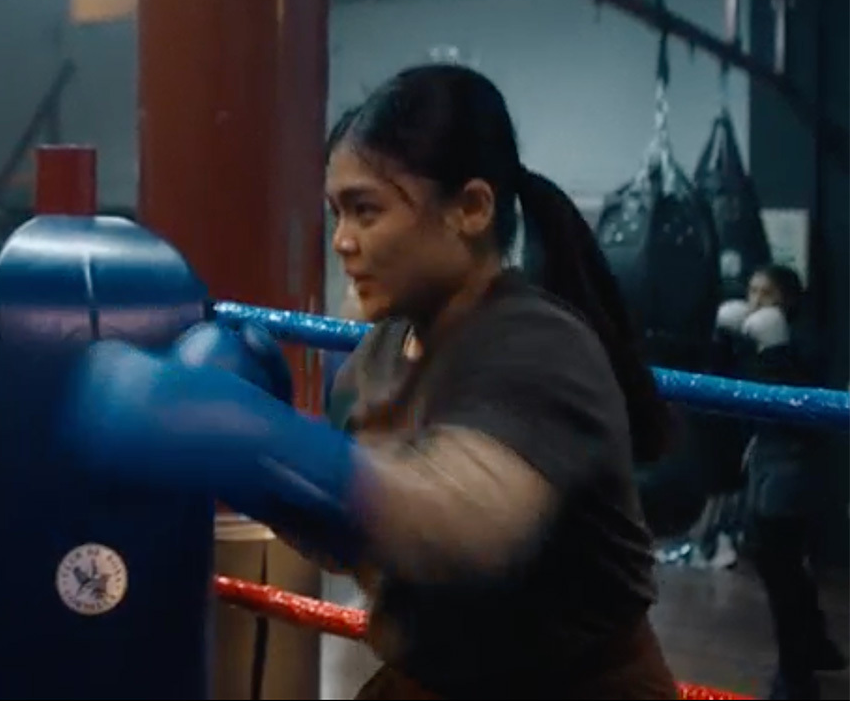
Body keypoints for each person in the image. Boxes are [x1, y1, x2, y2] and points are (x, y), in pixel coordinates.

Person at [68, 64, 680, 699]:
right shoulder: (381, 352)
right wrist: (265, 481)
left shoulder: (537, 345)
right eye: (337, 213)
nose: (342, 241)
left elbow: (458, 527)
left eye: (366, 210)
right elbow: (364, 550)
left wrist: (251, 439)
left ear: (470, 209)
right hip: (435, 682)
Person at [715, 264, 846, 700]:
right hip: (765, 465)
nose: (755, 303)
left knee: (781, 573)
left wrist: (776, 352)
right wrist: (723, 340)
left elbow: (802, 412)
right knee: (782, 568)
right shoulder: (755, 337)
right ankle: (817, 644)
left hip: (797, 470)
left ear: (787, 300)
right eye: (751, 292)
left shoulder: (806, 341)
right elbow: (728, 395)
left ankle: (796, 676)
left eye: (766, 294)